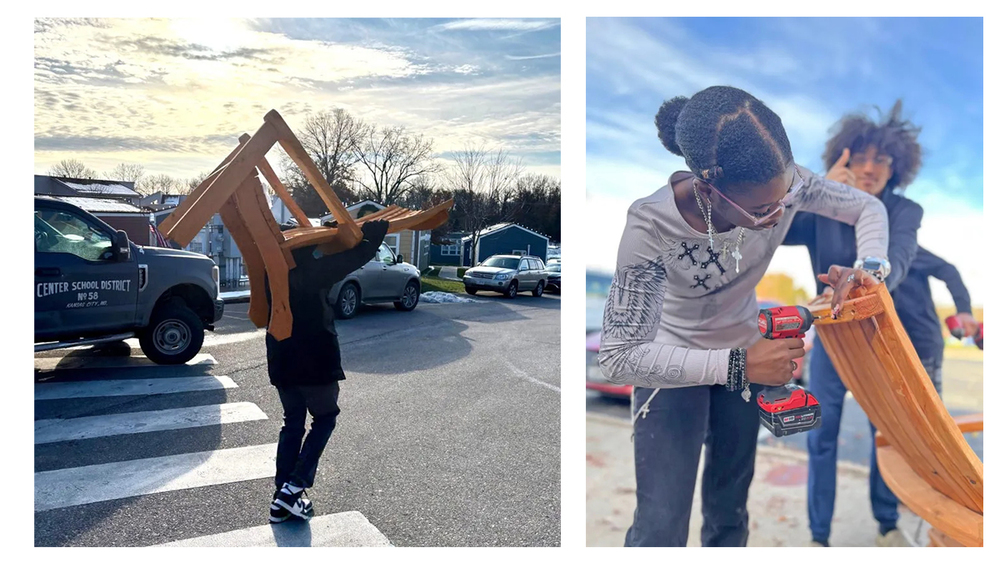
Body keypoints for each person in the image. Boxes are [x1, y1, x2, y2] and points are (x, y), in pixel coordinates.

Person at [598, 85, 890, 547]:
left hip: (746, 357)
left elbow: (867, 208)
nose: (778, 214)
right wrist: (739, 365)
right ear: (710, 189)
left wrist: (869, 268)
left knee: (730, 513)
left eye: (785, 197)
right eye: (760, 210)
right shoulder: (651, 225)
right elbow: (619, 356)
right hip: (671, 368)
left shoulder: (792, 184)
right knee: (660, 525)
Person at [782, 101, 925, 547]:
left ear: (895, 167)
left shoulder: (904, 211)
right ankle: (818, 537)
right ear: (841, 158)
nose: (868, 167)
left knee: (889, 433)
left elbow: (897, 259)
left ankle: (886, 524)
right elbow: (774, 231)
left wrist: (872, 272)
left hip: (881, 336)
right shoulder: (823, 206)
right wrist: (819, 192)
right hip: (830, 338)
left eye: (880, 159)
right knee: (820, 436)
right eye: (859, 157)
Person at [265, 219, 389, 523]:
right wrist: (371, 240)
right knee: (325, 417)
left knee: (293, 423)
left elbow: (335, 256)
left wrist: (334, 231)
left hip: (281, 359)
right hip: (314, 360)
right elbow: (348, 260)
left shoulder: (273, 269)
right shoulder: (310, 271)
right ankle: (293, 487)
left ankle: (282, 497)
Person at [896, 245, 978, 393]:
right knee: (888, 405)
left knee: (926, 406)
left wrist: (964, 310)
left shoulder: (901, 246)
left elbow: (948, 271)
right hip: (890, 343)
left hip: (921, 340)